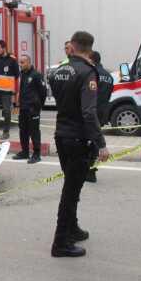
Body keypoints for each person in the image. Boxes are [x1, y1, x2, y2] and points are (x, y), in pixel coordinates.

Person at [49, 31, 109, 258]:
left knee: (72, 186)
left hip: (61, 135)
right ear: (90, 50)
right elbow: (88, 112)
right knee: (71, 191)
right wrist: (100, 143)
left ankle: (72, 228)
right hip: (78, 139)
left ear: (72, 47)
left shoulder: (58, 72)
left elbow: (60, 98)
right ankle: (61, 242)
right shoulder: (87, 72)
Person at [86, 51, 114, 182]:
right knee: (95, 142)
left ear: (91, 60)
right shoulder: (109, 76)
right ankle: (92, 169)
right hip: (102, 113)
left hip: (91, 112)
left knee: (88, 142)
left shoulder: (91, 74)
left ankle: (89, 171)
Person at [14, 55, 47, 164]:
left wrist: (38, 106)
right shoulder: (22, 74)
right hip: (23, 108)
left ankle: (36, 154)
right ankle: (25, 152)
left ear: (28, 62)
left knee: (34, 132)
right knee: (23, 131)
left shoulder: (36, 75)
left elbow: (43, 92)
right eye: (20, 62)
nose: (20, 64)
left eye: (22, 62)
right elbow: (21, 90)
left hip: (33, 109)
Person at [0, 40, 19, 140]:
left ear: (4, 48)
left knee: (6, 111)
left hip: (6, 90)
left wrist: (13, 89)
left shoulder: (12, 60)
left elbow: (17, 75)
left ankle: (6, 132)